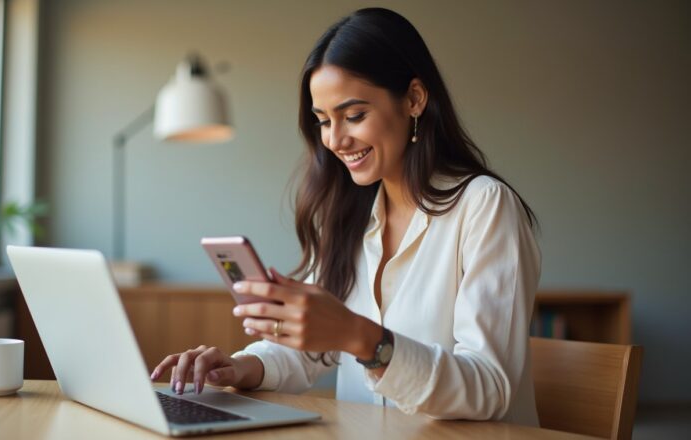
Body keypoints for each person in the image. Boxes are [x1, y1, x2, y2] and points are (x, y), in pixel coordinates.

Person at [151, 7, 541, 425]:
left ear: (414, 99)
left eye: (354, 115)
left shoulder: (484, 205)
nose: (335, 140)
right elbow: (309, 354)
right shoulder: (349, 213)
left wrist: (362, 338)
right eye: (323, 121)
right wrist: (240, 367)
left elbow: (488, 390)